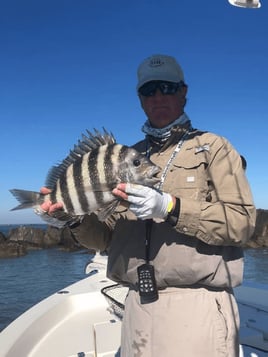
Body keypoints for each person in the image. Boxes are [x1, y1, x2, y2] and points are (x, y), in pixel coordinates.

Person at [38, 54, 256, 357]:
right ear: (140, 99)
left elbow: (242, 223)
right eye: (149, 90)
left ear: (183, 92)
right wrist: (73, 218)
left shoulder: (214, 148)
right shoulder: (127, 157)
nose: (158, 96)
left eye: (167, 87)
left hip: (196, 305)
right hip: (136, 306)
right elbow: (105, 239)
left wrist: (170, 207)